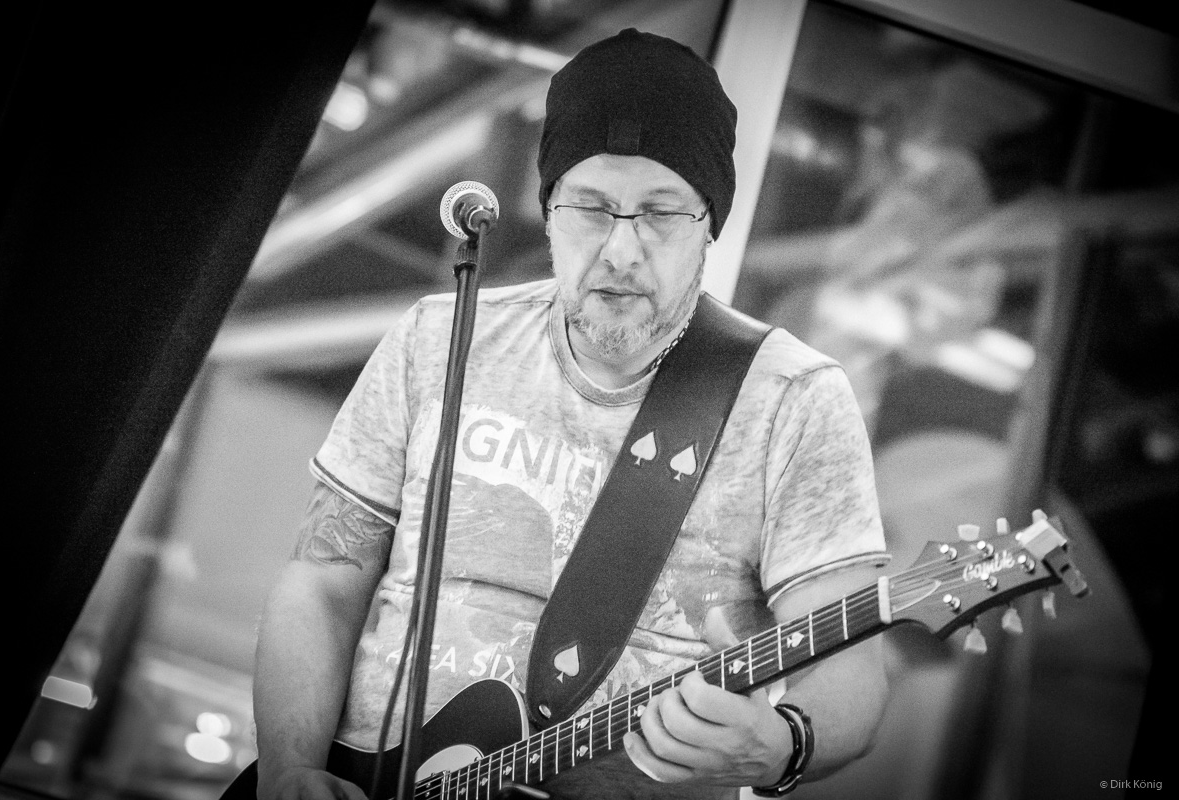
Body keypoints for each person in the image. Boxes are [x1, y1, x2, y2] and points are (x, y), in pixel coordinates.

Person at [250, 28, 890, 800]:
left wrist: (782, 745)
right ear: (548, 210)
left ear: (710, 224)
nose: (622, 249)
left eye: (660, 212)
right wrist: (288, 769)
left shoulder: (793, 401)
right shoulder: (440, 337)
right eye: (591, 207)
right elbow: (324, 581)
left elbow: (851, 665)